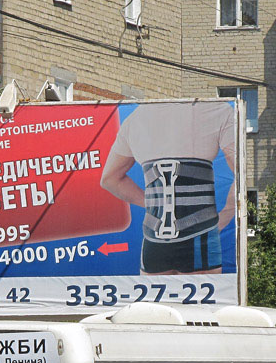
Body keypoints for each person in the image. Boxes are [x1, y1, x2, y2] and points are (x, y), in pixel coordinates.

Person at [99, 101, 236, 275]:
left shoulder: (134, 120)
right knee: (203, 302)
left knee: (153, 302)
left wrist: (155, 204)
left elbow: (110, 179)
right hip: (200, 237)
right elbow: (241, 173)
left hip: (154, 242)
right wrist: (224, 217)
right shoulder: (217, 109)